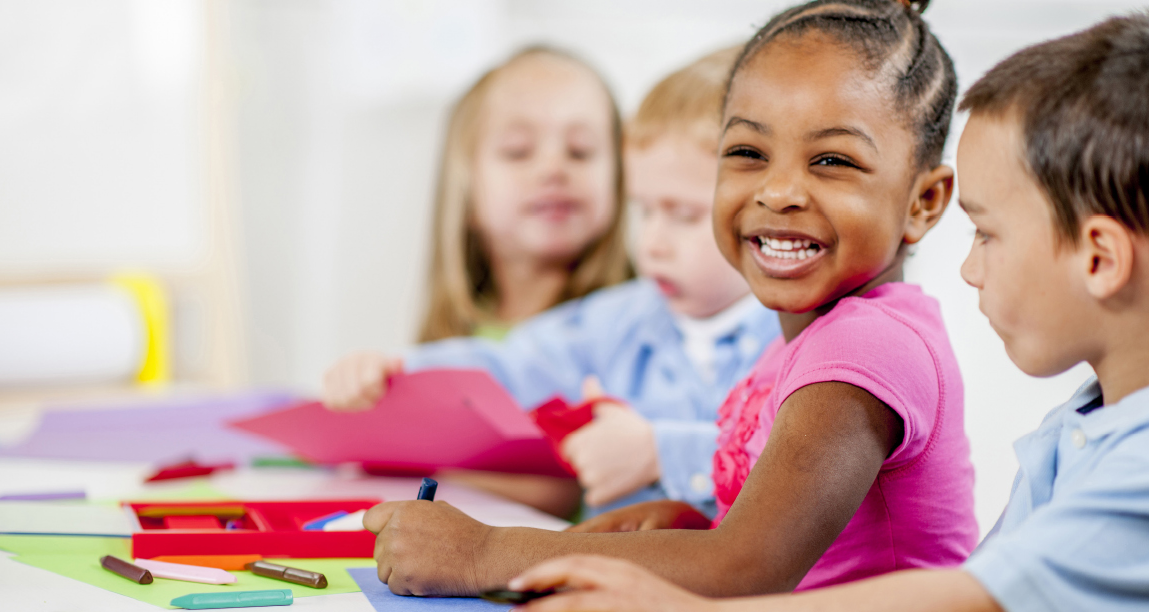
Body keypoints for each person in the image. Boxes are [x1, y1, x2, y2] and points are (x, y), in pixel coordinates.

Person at [507, 9, 1149, 612]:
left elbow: (972, 598)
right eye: (748, 151)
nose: (969, 270)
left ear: (1100, 258)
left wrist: (674, 603)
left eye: (988, 235)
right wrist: (692, 535)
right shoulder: (1089, 426)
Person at [362, 0, 975, 597]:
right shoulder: (803, 338)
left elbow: (746, 567)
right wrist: (686, 523)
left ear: (924, 201)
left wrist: (483, 553)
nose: (779, 190)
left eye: (833, 160)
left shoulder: (864, 348)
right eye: (747, 153)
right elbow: (763, 545)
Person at [322, 46, 778, 519]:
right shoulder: (619, 318)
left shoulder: (797, 335)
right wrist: (395, 370)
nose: (652, 243)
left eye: (682, 215)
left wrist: (660, 453)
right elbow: (510, 366)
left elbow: (802, 461)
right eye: (643, 211)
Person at [416, 46, 631, 343]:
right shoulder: (448, 349)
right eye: (518, 151)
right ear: (466, 191)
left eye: (580, 151)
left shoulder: (642, 332)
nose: (553, 169)